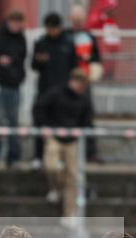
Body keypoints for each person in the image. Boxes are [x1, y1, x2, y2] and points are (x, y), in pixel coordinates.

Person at [34, 69, 93, 223]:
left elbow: (88, 120)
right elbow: (39, 108)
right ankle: (56, 187)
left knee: (72, 177)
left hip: (72, 141)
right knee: (51, 166)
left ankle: (69, 213)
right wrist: (43, 126)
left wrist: (82, 133)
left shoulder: (84, 100)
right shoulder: (55, 93)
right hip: (54, 137)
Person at [31, 13, 76, 169]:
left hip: (62, 93)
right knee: (40, 122)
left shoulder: (69, 43)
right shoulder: (41, 42)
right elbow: (33, 66)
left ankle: (62, 158)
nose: (51, 32)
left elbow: (73, 67)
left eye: (53, 29)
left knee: (62, 123)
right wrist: (39, 60)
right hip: (45, 91)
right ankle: (38, 156)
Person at [0, 10, 27, 168]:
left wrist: (19, 76)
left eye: (19, 23)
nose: (17, 26)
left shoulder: (21, 38)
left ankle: (13, 158)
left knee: (14, 124)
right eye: (14, 22)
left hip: (15, 86)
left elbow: (22, 60)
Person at [68, 4, 103, 164]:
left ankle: (90, 153)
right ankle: (69, 154)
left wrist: (91, 62)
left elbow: (97, 58)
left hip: (85, 83)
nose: (78, 23)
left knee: (87, 118)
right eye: (75, 20)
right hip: (68, 84)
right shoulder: (65, 36)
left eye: (80, 20)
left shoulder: (89, 36)